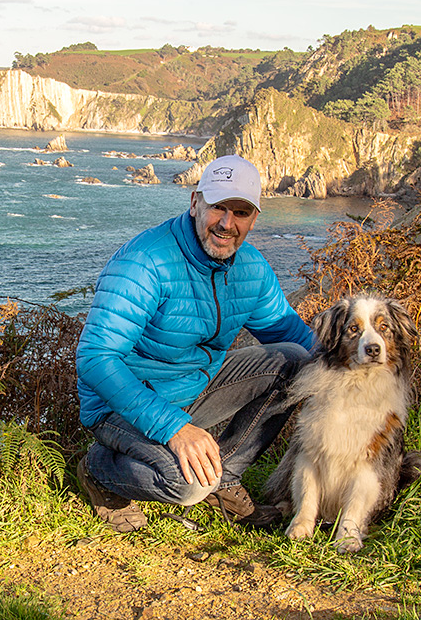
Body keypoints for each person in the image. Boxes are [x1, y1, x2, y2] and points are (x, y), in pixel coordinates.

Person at [75, 154, 315, 532]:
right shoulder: (146, 261)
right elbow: (95, 358)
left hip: (196, 388)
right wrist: (174, 428)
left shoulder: (250, 268)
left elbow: (294, 335)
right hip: (120, 407)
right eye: (217, 207)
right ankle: (98, 470)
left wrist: (355, 370)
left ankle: (225, 478)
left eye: (240, 212)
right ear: (194, 202)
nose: (226, 223)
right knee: (188, 485)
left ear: (254, 218)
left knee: (298, 362)